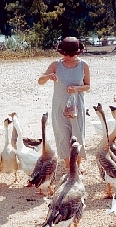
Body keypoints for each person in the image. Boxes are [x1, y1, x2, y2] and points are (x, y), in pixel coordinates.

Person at [38, 36, 90, 171]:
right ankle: (68, 166)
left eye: (72, 55)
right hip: (60, 106)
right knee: (62, 135)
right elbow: (40, 81)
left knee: (78, 134)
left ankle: (77, 165)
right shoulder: (56, 64)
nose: (68, 57)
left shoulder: (83, 65)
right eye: (66, 54)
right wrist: (48, 76)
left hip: (77, 105)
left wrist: (77, 88)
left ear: (78, 53)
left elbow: (88, 86)